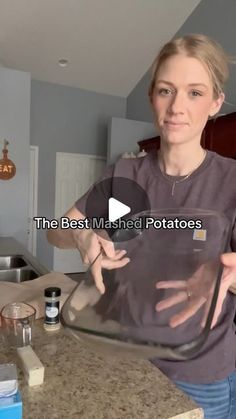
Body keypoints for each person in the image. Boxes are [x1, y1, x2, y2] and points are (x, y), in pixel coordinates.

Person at [47, 34, 236, 418]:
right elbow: (55, 230)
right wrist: (83, 234)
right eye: (166, 90)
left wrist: (226, 275)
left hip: (200, 374)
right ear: (152, 96)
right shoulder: (126, 173)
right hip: (124, 357)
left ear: (215, 102)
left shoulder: (230, 180)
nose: (177, 107)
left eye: (195, 93)